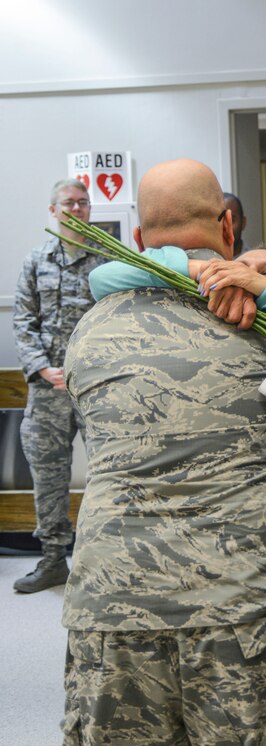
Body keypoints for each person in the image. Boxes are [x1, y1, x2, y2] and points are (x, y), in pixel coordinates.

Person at [55, 159, 266, 746]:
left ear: (138, 236)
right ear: (227, 223)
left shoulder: (90, 334)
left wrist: (202, 275)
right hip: (256, 609)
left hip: (116, 614)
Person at [12, 178, 107, 594]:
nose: (77, 209)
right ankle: (52, 561)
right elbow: (23, 321)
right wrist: (40, 368)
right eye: (69, 203)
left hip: (94, 389)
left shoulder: (106, 258)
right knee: (48, 477)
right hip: (48, 390)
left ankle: (104, 561)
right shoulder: (36, 261)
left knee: (109, 474)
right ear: (53, 210)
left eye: (83, 203)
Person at [223, 191, 249, 257]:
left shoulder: (254, 261)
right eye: (221, 220)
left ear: (243, 222)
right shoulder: (204, 262)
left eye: (232, 220)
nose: (225, 227)